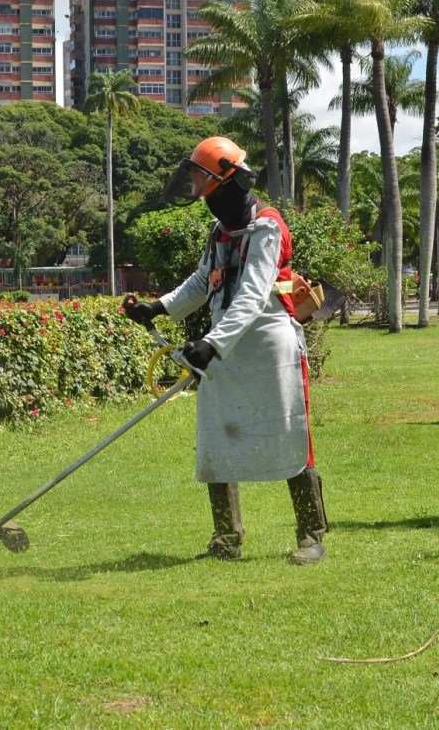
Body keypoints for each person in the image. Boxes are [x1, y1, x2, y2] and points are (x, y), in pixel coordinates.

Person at [124, 135, 328, 565]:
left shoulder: (267, 226)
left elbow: (254, 295)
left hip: (272, 349)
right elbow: (203, 282)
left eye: (205, 183)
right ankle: (226, 538)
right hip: (224, 348)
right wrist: (158, 307)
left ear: (230, 180)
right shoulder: (220, 231)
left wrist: (210, 344)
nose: (201, 194)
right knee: (216, 437)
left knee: (292, 436)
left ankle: (312, 537)